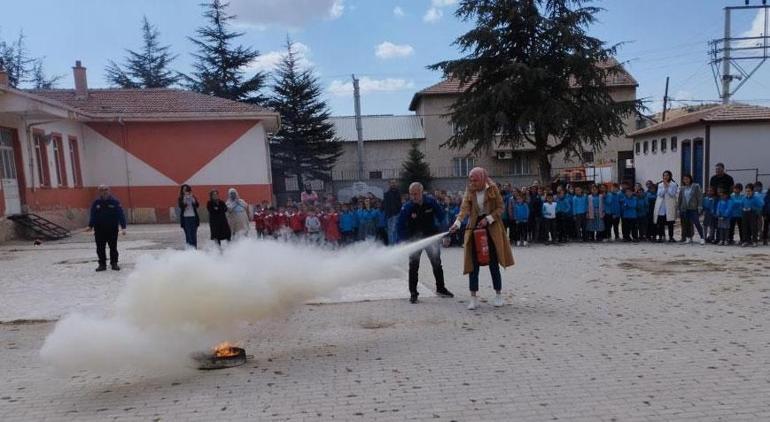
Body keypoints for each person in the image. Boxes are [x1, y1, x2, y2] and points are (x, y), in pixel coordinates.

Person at [450, 168, 515, 310]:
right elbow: (464, 209)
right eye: (471, 180)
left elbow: (500, 207)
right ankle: (473, 298)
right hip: (474, 226)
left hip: (491, 226)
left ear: (482, 178)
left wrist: (489, 218)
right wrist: (457, 223)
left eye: (475, 180)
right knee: (473, 263)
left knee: (493, 262)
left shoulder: (492, 188)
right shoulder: (470, 189)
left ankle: (498, 295)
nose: (472, 183)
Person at [397, 182, 454, 304]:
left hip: (430, 237)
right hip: (414, 240)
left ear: (421, 192)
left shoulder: (431, 202)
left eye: (415, 194)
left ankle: (441, 288)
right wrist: (404, 241)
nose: (413, 197)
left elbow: (442, 217)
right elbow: (400, 226)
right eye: (411, 194)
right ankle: (413, 293)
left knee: (437, 263)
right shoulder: (406, 207)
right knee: (413, 266)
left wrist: (446, 234)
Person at [87, 185, 127, 271]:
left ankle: (114, 263)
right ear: (99, 192)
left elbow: (120, 214)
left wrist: (123, 227)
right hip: (99, 229)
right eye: (101, 190)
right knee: (100, 248)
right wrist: (90, 226)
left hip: (112, 229)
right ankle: (102, 264)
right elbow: (93, 215)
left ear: (109, 191)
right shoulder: (96, 203)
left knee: (113, 247)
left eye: (106, 190)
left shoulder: (115, 202)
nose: (104, 191)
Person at [677, 174, 705, 245]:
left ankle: (702, 238)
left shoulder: (696, 186)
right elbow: (680, 198)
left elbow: (700, 197)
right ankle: (688, 237)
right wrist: (678, 208)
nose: (686, 180)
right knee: (687, 224)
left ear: (690, 179)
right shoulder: (682, 188)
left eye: (687, 179)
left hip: (693, 208)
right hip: (684, 208)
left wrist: (700, 206)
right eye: (684, 179)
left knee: (697, 223)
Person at [654, 170, 678, 243]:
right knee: (661, 222)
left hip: (669, 205)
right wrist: (664, 187)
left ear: (670, 176)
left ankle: (671, 237)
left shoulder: (673, 184)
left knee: (670, 222)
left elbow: (672, 194)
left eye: (667, 175)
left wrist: (667, 186)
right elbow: (660, 194)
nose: (665, 177)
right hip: (661, 205)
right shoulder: (660, 184)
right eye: (664, 175)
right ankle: (660, 237)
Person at [178, 184, 200, 249]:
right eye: (184, 189)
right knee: (188, 236)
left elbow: (197, 205)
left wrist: (192, 198)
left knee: (194, 235)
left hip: (193, 217)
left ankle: (195, 250)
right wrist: (185, 198)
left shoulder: (192, 196)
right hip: (185, 218)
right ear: (182, 191)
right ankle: (189, 251)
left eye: (186, 189)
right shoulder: (181, 198)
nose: (185, 191)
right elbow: (181, 206)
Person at [383, 180, 402, 245]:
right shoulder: (386, 194)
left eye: (394, 183)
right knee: (390, 231)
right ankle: (391, 245)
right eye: (392, 183)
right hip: (389, 215)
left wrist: (399, 213)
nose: (393, 184)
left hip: (396, 214)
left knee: (395, 230)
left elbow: (400, 204)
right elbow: (385, 205)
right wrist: (386, 215)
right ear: (389, 184)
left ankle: (395, 245)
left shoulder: (398, 193)